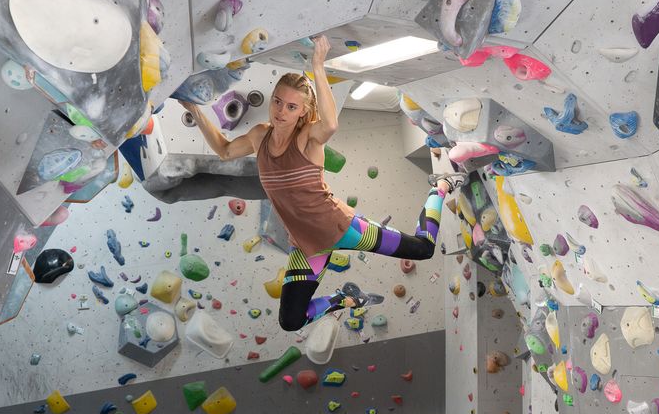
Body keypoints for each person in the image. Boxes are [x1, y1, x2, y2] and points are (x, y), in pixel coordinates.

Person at [182, 36, 463, 331]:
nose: (281, 111)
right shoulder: (259, 136)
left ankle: (440, 187)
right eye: (278, 102)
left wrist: (318, 65)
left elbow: (329, 124)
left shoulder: (308, 137)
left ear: (303, 111)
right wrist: (196, 110)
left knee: (423, 249)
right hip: (307, 247)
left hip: (343, 228)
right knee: (291, 321)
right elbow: (225, 150)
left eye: (292, 106)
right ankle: (345, 298)